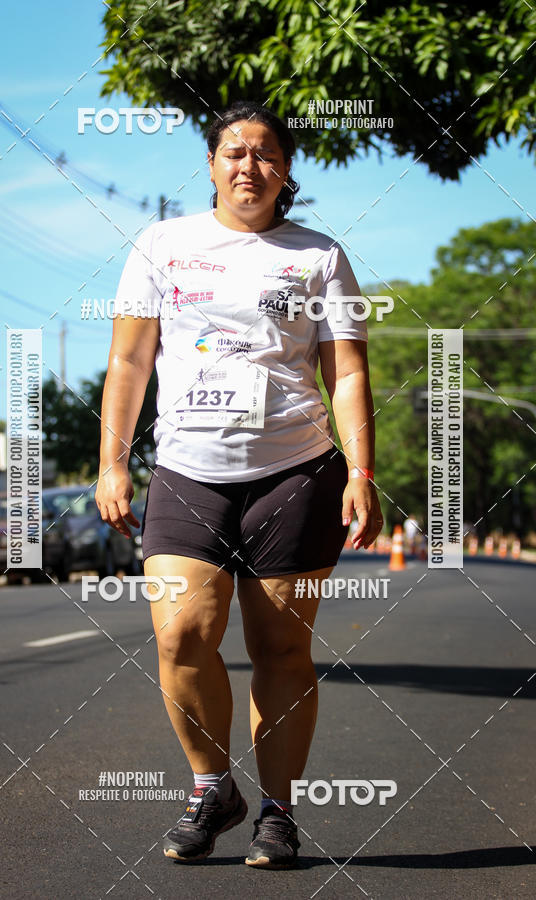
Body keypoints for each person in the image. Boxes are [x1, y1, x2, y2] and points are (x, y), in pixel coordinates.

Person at [95, 100, 383, 869]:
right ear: (212, 164)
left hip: (295, 471)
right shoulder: (162, 244)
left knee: (281, 645)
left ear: (285, 170)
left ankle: (279, 812)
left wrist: (361, 472)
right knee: (179, 633)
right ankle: (210, 786)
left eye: (264, 153)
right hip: (188, 471)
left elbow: (346, 372)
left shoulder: (320, 255)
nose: (248, 165)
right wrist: (112, 459)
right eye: (233, 152)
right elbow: (127, 363)